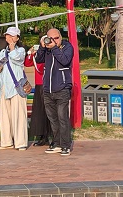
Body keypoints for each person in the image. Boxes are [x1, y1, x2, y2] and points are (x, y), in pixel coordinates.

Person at [35, 28, 74, 156]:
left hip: (62, 88)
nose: (53, 41)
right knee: (53, 119)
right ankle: (56, 143)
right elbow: (39, 59)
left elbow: (65, 60)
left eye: (56, 38)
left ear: (60, 37)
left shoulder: (67, 47)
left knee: (63, 118)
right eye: (50, 38)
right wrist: (42, 47)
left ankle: (66, 145)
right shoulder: (46, 48)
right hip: (48, 89)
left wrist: (54, 48)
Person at [0, 26, 28, 151]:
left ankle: (20, 142)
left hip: (16, 87)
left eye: (12, 36)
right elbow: (0, 67)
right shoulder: (2, 52)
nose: (9, 38)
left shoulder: (20, 51)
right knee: (5, 116)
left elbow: (18, 59)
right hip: (4, 87)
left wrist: (12, 47)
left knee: (18, 116)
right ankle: (6, 141)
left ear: (17, 38)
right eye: (8, 35)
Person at [24, 38, 51, 147]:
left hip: (49, 84)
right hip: (39, 84)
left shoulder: (51, 52)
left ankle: (51, 135)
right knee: (40, 112)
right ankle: (42, 136)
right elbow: (27, 63)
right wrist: (30, 53)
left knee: (49, 111)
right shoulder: (38, 54)